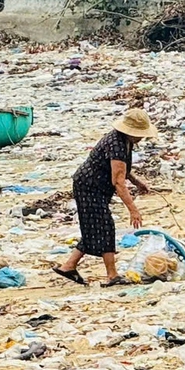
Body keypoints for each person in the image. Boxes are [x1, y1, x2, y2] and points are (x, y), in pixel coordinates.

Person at [54, 107, 156, 286]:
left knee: (94, 227)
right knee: (105, 226)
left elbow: (123, 169)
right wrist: (133, 210)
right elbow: (118, 181)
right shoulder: (116, 143)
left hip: (96, 187)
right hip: (89, 186)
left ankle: (68, 266)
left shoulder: (126, 141)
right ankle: (112, 275)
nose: (141, 137)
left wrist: (137, 182)